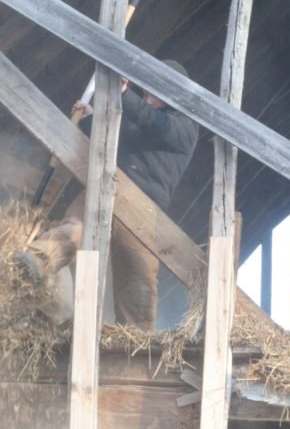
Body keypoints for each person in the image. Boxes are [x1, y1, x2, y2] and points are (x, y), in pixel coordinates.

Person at [21, 59, 198, 330]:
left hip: (142, 209)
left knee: (137, 278)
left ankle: (136, 344)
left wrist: (125, 96)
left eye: (154, 89)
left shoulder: (183, 127)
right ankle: (33, 264)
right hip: (106, 187)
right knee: (73, 230)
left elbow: (153, 123)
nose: (147, 93)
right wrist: (92, 118)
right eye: (146, 88)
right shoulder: (140, 117)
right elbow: (119, 135)